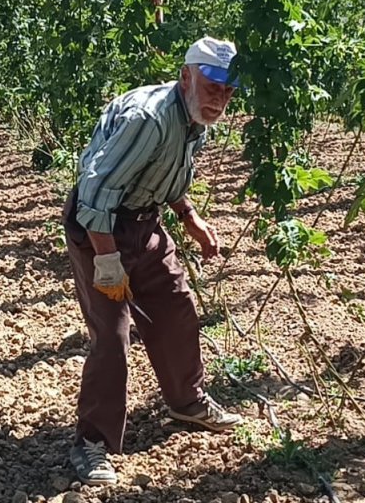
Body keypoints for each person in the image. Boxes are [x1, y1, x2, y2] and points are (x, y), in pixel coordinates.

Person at [61, 36, 244, 485]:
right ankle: (91, 443)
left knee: (177, 308)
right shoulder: (150, 118)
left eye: (228, 89)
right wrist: (107, 262)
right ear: (186, 77)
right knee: (113, 334)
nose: (220, 97)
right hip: (99, 226)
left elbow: (166, 172)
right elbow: (96, 191)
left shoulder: (194, 117)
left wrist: (190, 217)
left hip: (144, 221)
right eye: (211, 85)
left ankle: (187, 401)